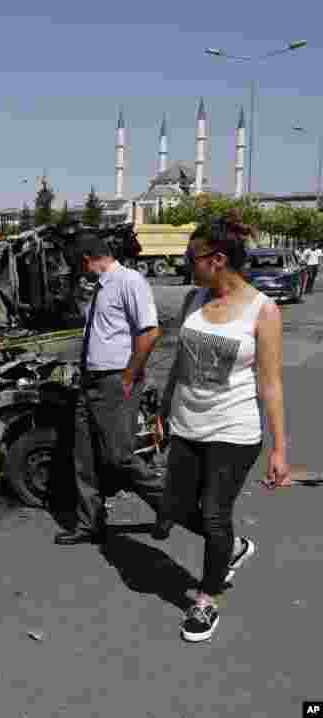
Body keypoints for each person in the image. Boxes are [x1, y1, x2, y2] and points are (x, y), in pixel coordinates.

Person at [154, 211, 289, 643]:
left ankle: (206, 599)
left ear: (215, 259)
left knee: (214, 515)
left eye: (190, 257)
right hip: (187, 421)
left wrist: (279, 447)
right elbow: (180, 359)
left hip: (234, 429)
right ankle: (232, 546)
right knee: (175, 507)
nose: (185, 264)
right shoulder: (194, 299)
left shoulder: (262, 311)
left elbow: (270, 383)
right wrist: (162, 405)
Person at [55, 233, 166, 546]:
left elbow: (150, 332)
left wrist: (129, 376)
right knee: (84, 457)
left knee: (119, 456)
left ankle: (170, 505)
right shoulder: (100, 289)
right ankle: (90, 523)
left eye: (78, 265)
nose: (78, 271)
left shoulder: (130, 281)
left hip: (115, 381)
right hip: (90, 381)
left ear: (87, 259)